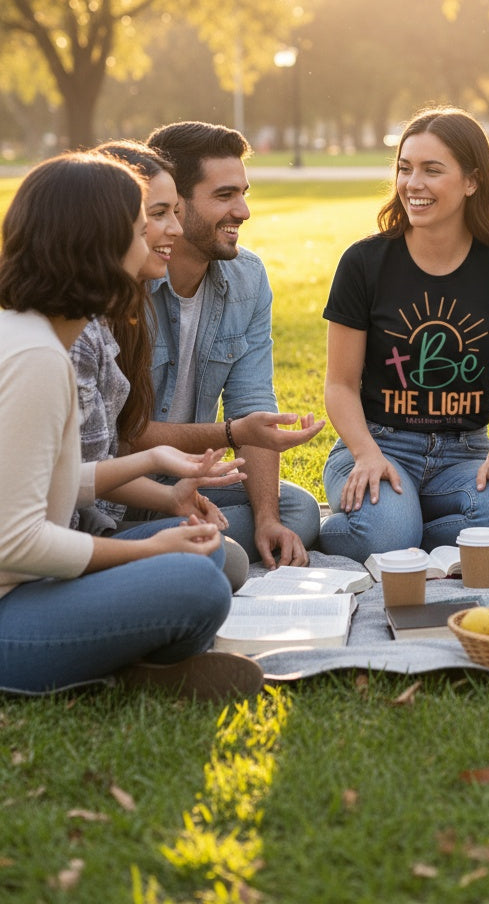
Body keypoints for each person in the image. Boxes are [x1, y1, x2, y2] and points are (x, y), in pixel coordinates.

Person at [0, 152, 262, 698]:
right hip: (11, 606)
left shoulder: (38, 338)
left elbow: (43, 483)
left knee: (205, 548)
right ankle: (126, 666)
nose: (153, 245)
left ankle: (118, 653)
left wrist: (152, 461)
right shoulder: (35, 359)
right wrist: (149, 553)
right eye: (139, 231)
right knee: (193, 581)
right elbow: (16, 542)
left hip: (29, 584)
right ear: (95, 246)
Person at [318, 106, 489, 562]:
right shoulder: (363, 263)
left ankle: (403, 525)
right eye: (404, 168)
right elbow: (339, 384)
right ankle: (380, 526)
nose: (411, 184)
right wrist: (365, 454)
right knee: (387, 533)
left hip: (464, 453)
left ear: (472, 181)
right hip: (378, 443)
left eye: (431, 170)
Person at [128, 121, 324, 569]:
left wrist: (266, 520)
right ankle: (161, 539)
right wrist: (232, 434)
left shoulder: (248, 278)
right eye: (224, 196)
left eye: (243, 193)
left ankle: (186, 534)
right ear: (173, 202)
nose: (243, 211)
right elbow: (121, 434)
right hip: (118, 482)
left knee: (297, 511)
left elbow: (251, 403)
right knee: (223, 558)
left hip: (194, 477)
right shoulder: (127, 285)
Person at [69, 141, 249, 590]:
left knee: (250, 541)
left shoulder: (114, 321)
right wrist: (149, 548)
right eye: (158, 214)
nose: (175, 228)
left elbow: (80, 475)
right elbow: (39, 527)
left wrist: (172, 498)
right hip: (62, 547)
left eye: (175, 212)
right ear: (108, 224)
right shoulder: (68, 338)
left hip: (82, 519)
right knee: (210, 571)